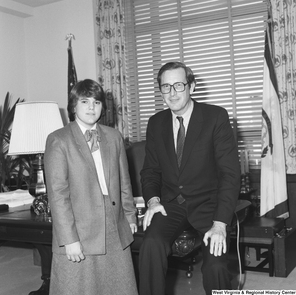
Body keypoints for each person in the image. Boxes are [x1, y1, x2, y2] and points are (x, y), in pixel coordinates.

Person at [139, 62, 241, 295]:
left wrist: (220, 224)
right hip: (171, 205)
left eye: (178, 85)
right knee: (151, 245)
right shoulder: (156, 123)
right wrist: (153, 201)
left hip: (209, 206)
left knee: (215, 265)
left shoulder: (215, 117)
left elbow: (229, 174)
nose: (172, 93)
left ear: (192, 86)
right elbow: (150, 171)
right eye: (166, 87)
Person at [44, 79, 138, 295]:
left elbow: (125, 181)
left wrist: (130, 216)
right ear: (73, 106)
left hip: (114, 224)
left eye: (96, 102)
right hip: (78, 227)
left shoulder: (114, 137)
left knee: (118, 286)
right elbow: (58, 195)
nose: (91, 107)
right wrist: (69, 240)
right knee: (79, 287)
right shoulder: (58, 140)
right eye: (84, 101)